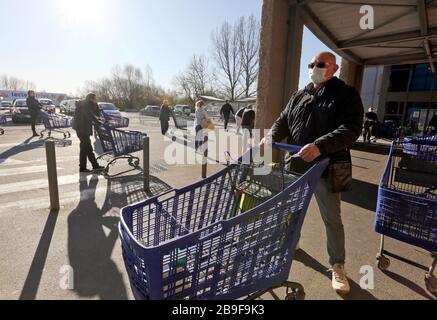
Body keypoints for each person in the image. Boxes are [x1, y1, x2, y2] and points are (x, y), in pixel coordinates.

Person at [261, 52, 364, 295]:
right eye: (311, 64)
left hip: (327, 168)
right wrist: (270, 137)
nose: (314, 68)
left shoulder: (345, 95)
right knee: (290, 211)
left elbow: (351, 129)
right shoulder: (300, 95)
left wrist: (320, 145)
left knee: (332, 218)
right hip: (296, 167)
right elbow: (283, 120)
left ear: (334, 68)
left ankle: (337, 265)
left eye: (320, 64)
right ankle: (291, 243)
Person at [73, 93, 105, 174]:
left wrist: (96, 105)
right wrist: (99, 122)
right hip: (82, 129)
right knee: (87, 148)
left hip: (83, 129)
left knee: (85, 148)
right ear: (91, 98)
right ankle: (93, 166)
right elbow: (90, 115)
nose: (96, 99)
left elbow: (97, 114)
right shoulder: (85, 105)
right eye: (95, 98)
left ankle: (86, 167)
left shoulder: (89, 105)